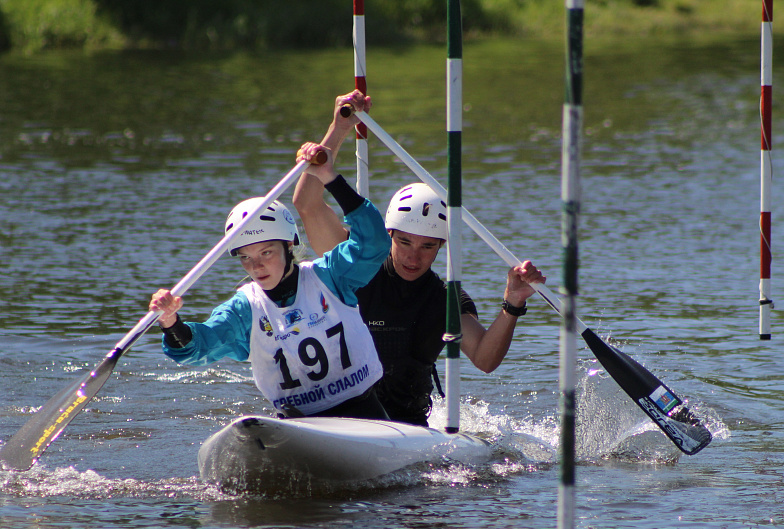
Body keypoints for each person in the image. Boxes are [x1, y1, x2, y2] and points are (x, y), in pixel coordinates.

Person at [292, 90, 546, 426]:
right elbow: (307, 204)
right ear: (390, 235)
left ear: (441, 247)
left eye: (427, 246)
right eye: (406, 242)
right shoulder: (355, 265)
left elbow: (485, 359)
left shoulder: (445, 297)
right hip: (339, 415)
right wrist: (340, 128)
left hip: (407, 427)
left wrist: (513, 303)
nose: (414, 256)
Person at [149, 94, 392, 420]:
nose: (256, 266)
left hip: (362, 410)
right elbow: (198, 347)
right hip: (297, 423)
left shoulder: (330, 277)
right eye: (246, 258)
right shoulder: (244, 309)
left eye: (266, 253)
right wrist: (170, 322)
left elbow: (373, 242)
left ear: (289, 248)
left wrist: (331, 179)